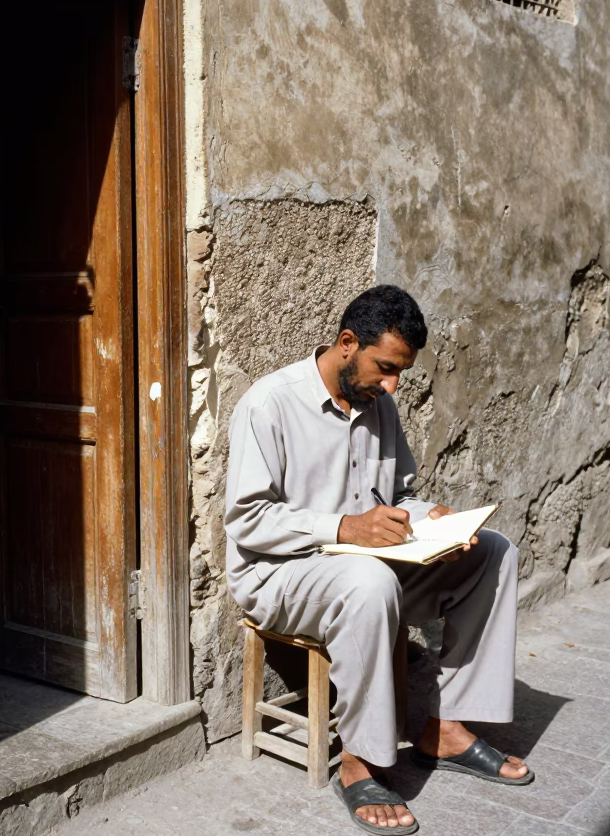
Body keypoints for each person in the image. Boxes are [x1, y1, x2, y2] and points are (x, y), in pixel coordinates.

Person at [224, 285, 532, 835]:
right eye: (385, 368)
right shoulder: (269, 404)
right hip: (278, 574)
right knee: (367, 581)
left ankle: (446, 729)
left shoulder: (377, 405)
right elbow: (248, 520)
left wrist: (427, 516)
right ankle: (359, 762)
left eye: (400, 374)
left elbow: (397, 496)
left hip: (368, 570)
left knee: (493, 550)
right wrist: (343, 527)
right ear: (347, 343)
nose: (391, 386)